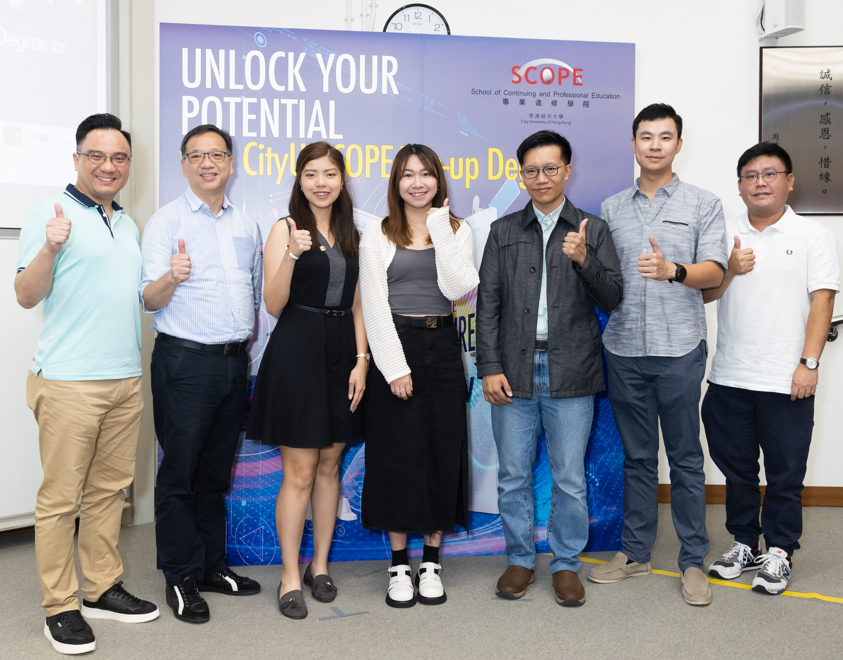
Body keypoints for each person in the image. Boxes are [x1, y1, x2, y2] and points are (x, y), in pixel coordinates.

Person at [15, 113, 158, 655]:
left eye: (119, 157)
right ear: (77, 159)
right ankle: (60, 606)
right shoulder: (49, 214)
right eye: (96, 155)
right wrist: (50, 249)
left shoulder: (127, 224)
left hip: (124, 379)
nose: (108, 165)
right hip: (69, 383)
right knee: (60, 501)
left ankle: (100, 588)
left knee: (108, 493)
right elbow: (26, 295)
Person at [587, 104, 728, 606]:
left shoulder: (703, 203)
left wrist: (674, 271)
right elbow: (604, 280)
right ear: (633, 144)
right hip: (624, 348)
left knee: (686, 459)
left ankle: (692, 560)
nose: (654, 145)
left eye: (665, 137)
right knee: (638, 458)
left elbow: (716, 271)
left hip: (679, 348)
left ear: (678, 145)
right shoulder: (610, 209)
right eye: (646, 136)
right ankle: (635, 553)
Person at [476, 130, 623, 607]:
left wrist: (584, 261)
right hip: (512, 370)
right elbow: (488, 305)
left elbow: (612, 297)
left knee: (569, 478)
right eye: (532, 170)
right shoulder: (503, 231)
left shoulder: (592, 230)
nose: (541, 178)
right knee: (513, 475)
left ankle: (565, 564)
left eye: (551, 169)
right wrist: (489, 366)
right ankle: (520, 559)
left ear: (567, 171)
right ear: (522, 174)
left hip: (572, 368)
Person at [701, 142, 838, 594]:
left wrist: (809, 364)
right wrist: (729, 269)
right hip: (730, 376)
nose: (760, 182)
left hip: (787, 378)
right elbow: (705, 295)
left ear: (789, 181)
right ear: (740, 186)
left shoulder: (813, 234)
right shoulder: (724, 232)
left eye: (770, 174)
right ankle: (744, 542)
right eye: (750, 176)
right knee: (737, 471)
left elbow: (823, 300)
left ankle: (779, 550)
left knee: (785, 473)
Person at [140, 124, 262, 623]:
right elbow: (148, 300)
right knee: (180, 475)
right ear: (184, 164)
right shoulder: (165, 222)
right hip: (185, 363)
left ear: (231, 162)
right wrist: (172, 276)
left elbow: (254, 291)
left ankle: (211, 566)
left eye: (216, 155)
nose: (207, 163)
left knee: (214, 475)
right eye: (197, 155)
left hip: (234, 363)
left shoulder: (247, 224)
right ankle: (180, 576)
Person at [246, 142, 368, 619]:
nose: (321, 182)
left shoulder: (352, 232)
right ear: (300, 180)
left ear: (342, 180)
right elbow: (273, 305)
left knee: (329, 466)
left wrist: (362, 360)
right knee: (298, 472)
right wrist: (293, 256)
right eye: (312, 174)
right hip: (297, 350)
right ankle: (290, 575)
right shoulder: (286, 228)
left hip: (342, 353)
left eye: (330, 174)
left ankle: (319, 567)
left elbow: (358, 303)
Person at [359, 144, 479, 608]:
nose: (417, 183)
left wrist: (439, 227)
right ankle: (398, 565)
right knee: (395, 455)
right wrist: (394, 367)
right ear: (396, 182)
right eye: (407, 174)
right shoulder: (378, 231)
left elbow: (458, 288)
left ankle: (430, 562)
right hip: (396, 342)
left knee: (440, 451)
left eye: (425, 174)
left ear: (437, 180)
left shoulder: (457, 229)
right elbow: (373, 302)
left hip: (443, 345)